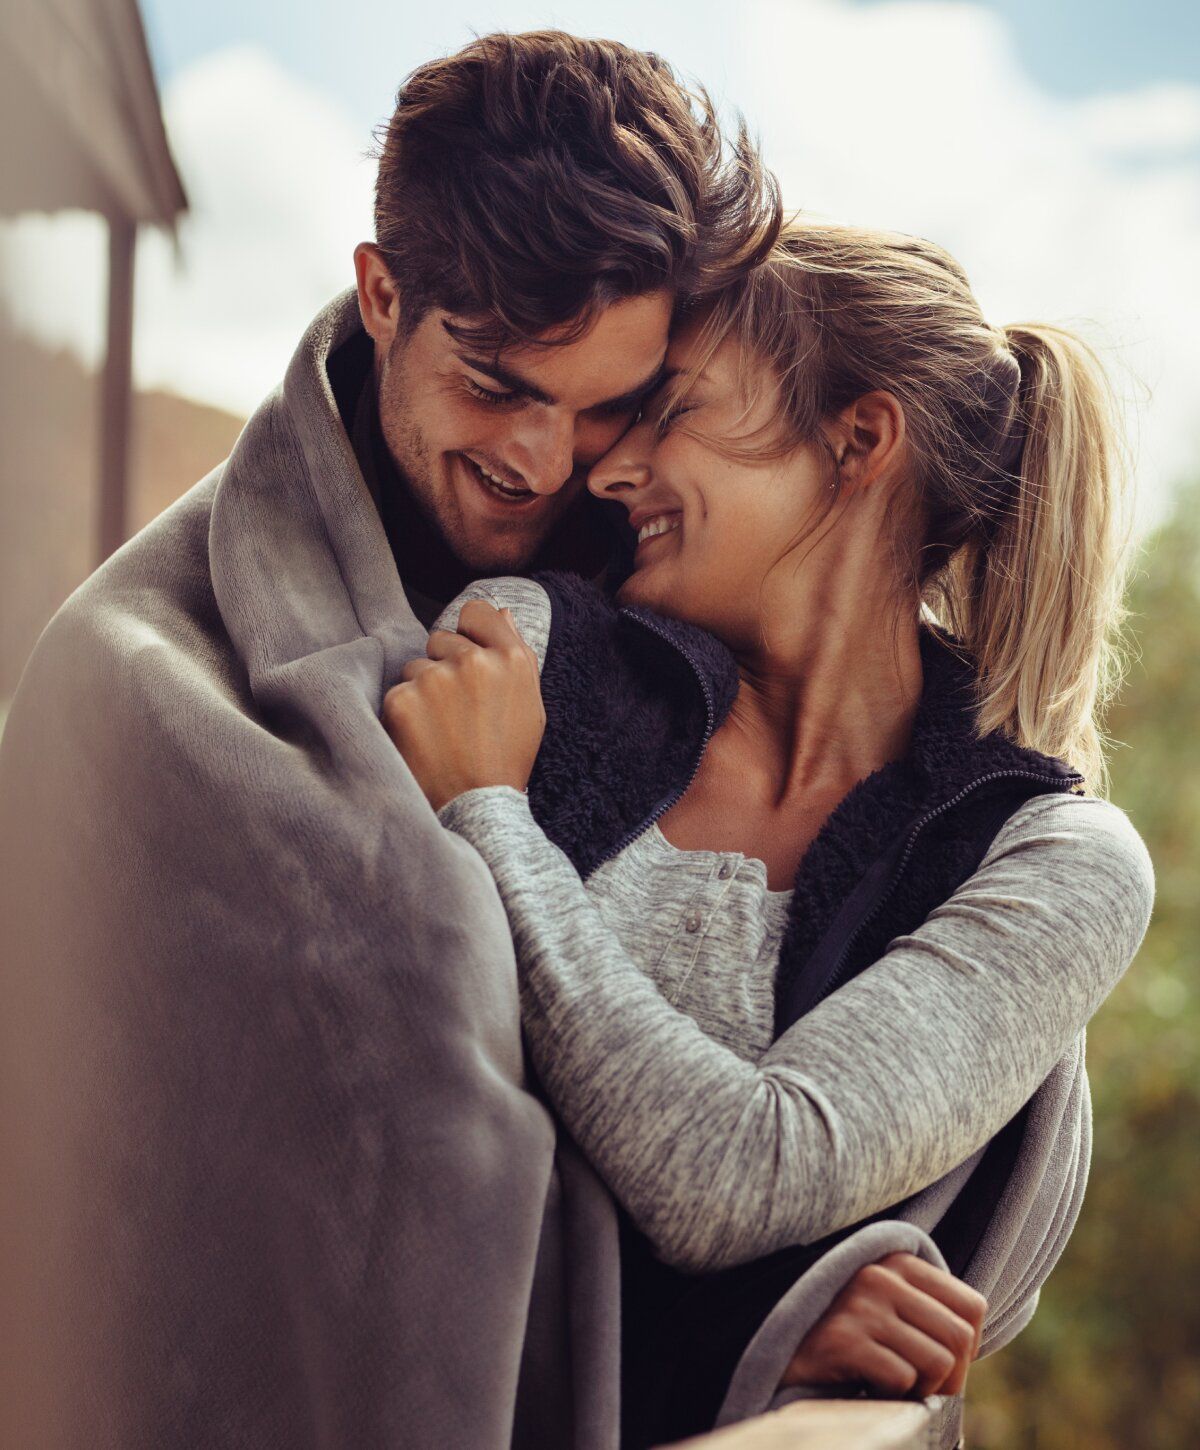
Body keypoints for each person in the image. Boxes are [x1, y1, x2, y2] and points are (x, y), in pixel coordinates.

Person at [0, 31, 795, 1450]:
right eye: (497, 382)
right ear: (383, 295)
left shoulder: (683, 601)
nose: (547, 463)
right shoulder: (129, 692)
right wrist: (767, 1312)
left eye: (605, 404)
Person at [380, 218, 1156, 1446]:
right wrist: (750, 1329)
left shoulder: (1046, 858)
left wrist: (491, 818)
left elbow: (747, 1171)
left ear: (858, 440)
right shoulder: (527, 654)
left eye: (669, 412)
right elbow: (374, 1117)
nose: (609, 469)